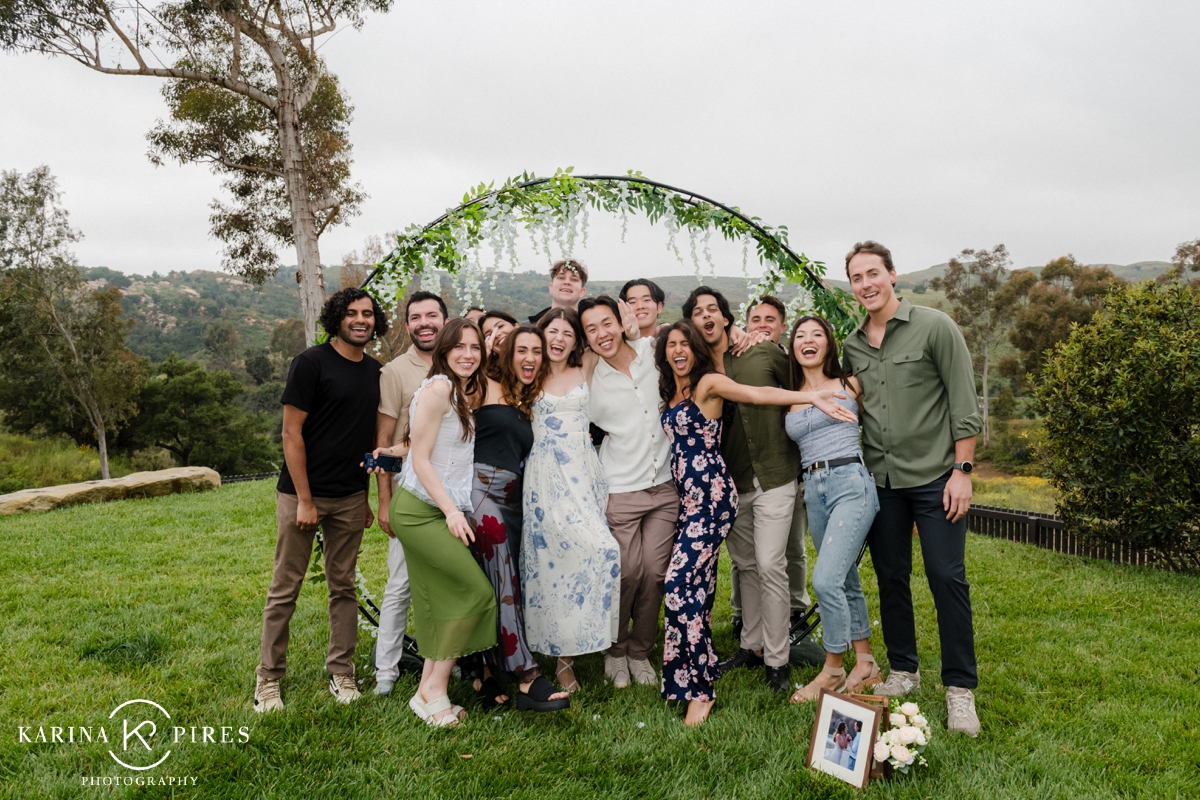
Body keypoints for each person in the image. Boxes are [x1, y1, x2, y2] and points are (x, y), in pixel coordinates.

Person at [654, 320, 855, 726]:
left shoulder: (708, 383)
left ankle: (701, 690)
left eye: (684, 344)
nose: (678, 351)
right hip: (688, 501)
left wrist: (812, 396)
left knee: (678, 586)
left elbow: (759, 393)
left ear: (696, 350)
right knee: (696, 587)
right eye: (670, 345)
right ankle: (692, 671)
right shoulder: (669, 391)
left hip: (712, 497)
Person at [841, 240, 983, 737]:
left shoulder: (935, 327)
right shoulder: (853, 344)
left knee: (947, 578)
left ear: (893, 274)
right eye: (857, 278)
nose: (866, 284)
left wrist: (962, 473)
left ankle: (960, 690)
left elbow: (964, 402)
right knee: (891, 576)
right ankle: (904, 670)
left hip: (936, 478)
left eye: (873, 273)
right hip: (881, 484)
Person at [253, 287, 386, 712]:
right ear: (337, 318)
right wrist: (306, 500)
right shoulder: (310, 364)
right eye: (351, 313)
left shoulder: (376, 373)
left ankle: (341, 672)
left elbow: (364, 441)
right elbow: (291, 433)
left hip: (349, 498)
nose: (360, 320)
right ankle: (268, 679)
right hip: (301, 496)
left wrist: (363, 499)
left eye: (367, 313)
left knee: (342, 586)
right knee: (284, 588)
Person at [371, 319, 497, 728]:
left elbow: (413, 445)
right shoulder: (441, 387)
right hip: (422, 510)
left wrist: (386, 450)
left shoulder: (455, 389)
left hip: (431, 506)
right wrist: (451, 511)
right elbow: (422, 460)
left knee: (446, 599)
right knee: (475, 593)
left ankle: (428, 691)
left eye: (475, 347)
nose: (468, 354)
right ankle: (433, 690)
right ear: (443, 349)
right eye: (459, 346)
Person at [684, 286, 799, 694]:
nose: (707, 316)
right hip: (731, 480)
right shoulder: (697, 368)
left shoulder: (763, 353)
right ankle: (750, 646)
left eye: (713, 309)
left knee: (770, 564)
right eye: (698, 312)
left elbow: (795, 385)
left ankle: (778, 658)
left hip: (774, 472)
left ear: (727, 317)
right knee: (746, 565)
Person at [465, 326, 571, 713]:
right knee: (504, 576)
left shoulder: (528, 400)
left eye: (537, 351)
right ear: (507, 354)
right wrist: (395, 448)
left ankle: (483, 673)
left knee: (496, 581)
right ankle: (526, 676)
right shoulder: (482, 385)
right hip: (477, 490)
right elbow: (441, 423)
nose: (529, 357)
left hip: (514, 499)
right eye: (521, 350)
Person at [580, 294, 679, 690]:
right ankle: (614, 650)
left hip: (665, 487)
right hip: (619, 489)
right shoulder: (588, 375)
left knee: (655, 574)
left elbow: (689, 340)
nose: (602, 334)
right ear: (584, 338)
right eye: (591, 329)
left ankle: (640, 653)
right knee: (626, 572)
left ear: (621, 321)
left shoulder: (653, 351)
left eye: (607, 323)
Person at [522, 307, 621, 692]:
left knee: (601, 550)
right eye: (552, 331)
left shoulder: (589, 365)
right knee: (549, 564)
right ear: (540, 334)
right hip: (544, 477)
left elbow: (632, 341)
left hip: (584, 473)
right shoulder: (527, 371)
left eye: (567, 332)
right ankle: (560, 660)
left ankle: (582, 641)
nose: (559, 338)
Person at [785, 315, 881, 704]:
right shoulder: (790, 393)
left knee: (825, 581)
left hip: (849, 482)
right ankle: (866, 663)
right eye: (800, 335)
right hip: (814, 489)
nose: (808, 340)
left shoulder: (850, 384)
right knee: (843, 580)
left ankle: (832, 671)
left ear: (829, 344)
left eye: (817, 334)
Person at [372, 290, 446, 697]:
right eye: (415, 317)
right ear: (407, 326)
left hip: (453, 494)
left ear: (444, 320)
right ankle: (386, 668)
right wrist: (385, 502)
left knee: (445, 583)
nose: (424, 323)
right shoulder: (395, 372)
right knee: (400, 583)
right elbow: (383, 441)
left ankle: (451, 661)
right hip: (410, 494)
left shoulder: (462, 361)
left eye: (431, 315)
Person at [732, 295, 811, 638]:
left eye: (770, 320)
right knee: (746, 557)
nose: (762, 325)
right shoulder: (735, 358)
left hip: (784, 468)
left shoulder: (785, 361)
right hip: (742, 470)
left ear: (782, 327)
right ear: (745, 324)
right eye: (755, 319)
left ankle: (795, 608)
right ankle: (743, 615)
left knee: (789, 548)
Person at [529, 258, 587, 325]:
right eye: (561, 278)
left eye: (574, 279)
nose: (567, 282)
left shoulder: (587, 329)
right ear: (551, 287)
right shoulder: (528, 327)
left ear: (582, 291)